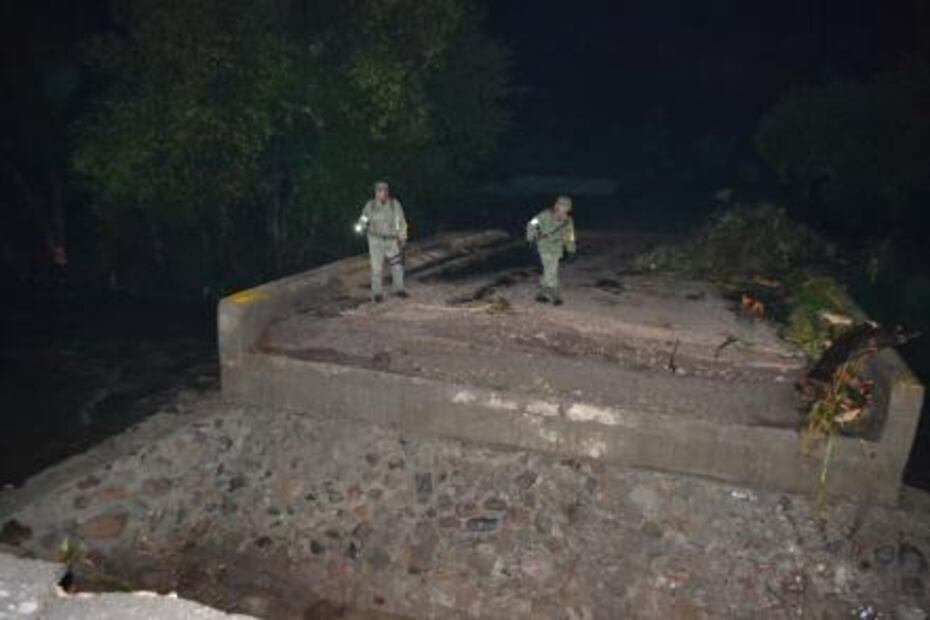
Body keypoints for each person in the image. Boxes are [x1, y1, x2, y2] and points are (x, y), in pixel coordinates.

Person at [354, 181, 408, 302]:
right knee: (376, 268)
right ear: (375, 192)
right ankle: (377, 293)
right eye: (378, 191)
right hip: (375, 240)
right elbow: (363, 218)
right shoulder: (370, 205)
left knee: (397, 265)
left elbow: (401, 222)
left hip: (391, 240)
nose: (381, 193)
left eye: (383, 191)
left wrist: (402, 237)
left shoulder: (395, 204)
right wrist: (360, 227)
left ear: (387, 192)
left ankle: (399, 289)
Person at [526, 195, 576, 305]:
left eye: (566, 207)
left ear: (569, 208)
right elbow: (531, 223)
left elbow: (569, 236)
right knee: (551, 270)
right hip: (543, 246)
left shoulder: (568, 220)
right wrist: (530, 237)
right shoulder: (544, 215)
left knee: (549, 270)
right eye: (561, 206)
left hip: (557, 248)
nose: (563, 209)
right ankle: (555, 294)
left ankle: (543, 294)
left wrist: (571, 249)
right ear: (556, 206)